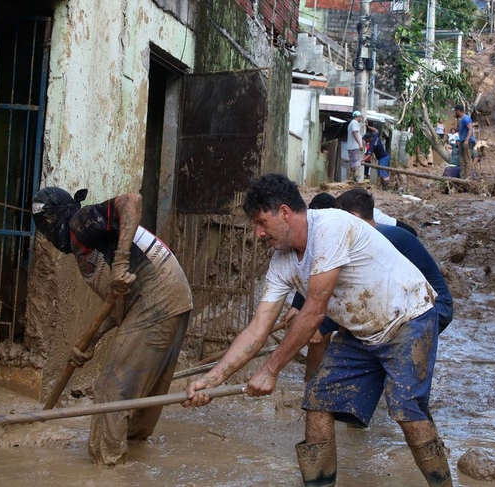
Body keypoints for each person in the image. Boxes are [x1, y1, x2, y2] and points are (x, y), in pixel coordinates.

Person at [184, 175, 453, 487]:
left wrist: (270, 370)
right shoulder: (282, 262)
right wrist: (211, 380)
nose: (258, 233)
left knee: (407, 411)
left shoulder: (330, 227)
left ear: (284, 212)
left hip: (409, 317)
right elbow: (258, 328)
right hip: (362, 331)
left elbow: (314, 312)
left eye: (261, 222)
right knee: (318, 400)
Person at [31, 187, 192, 466]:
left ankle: (108, 469)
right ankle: (136, 457)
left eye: (44, 227)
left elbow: (131, 200)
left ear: (52, 220)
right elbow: (118, 306)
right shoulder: (86, 247)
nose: (46, 236)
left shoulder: (78, 222)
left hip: (157, 295)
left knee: (110, 386)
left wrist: (119, 264)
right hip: (172, 296)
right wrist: (90, 342)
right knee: (145, 388)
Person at [294, 190, 452, 383]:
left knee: (403, 384)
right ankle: (313, 387)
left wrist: (323, 325)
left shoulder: (375, 242)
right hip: (405, 304)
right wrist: (299, 306)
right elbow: (324, 276)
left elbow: (363, 297)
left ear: (353, 218)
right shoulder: (367, 238)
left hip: (430, 308)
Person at [454, 104, 475, 180]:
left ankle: (468, 178)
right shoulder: (461, 120)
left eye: (455, 111)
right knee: (462, 160)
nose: (455, 113)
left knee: (467, 160)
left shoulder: (466, 118)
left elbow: (470, 129)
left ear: (458, 111)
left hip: (467, 142)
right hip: (463, 142)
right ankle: (462, 177)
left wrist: (466, 140)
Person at [346, 110, 365, 183]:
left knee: (353, 163)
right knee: (357, 163)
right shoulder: (354, 123)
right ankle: (356, 179)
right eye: (360, 117)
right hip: (354, 146)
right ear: (358, 116)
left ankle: (352, 179)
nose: (360, 118)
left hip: (351, 146)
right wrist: (360, 144)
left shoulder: (351, 123)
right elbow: (355, 132)